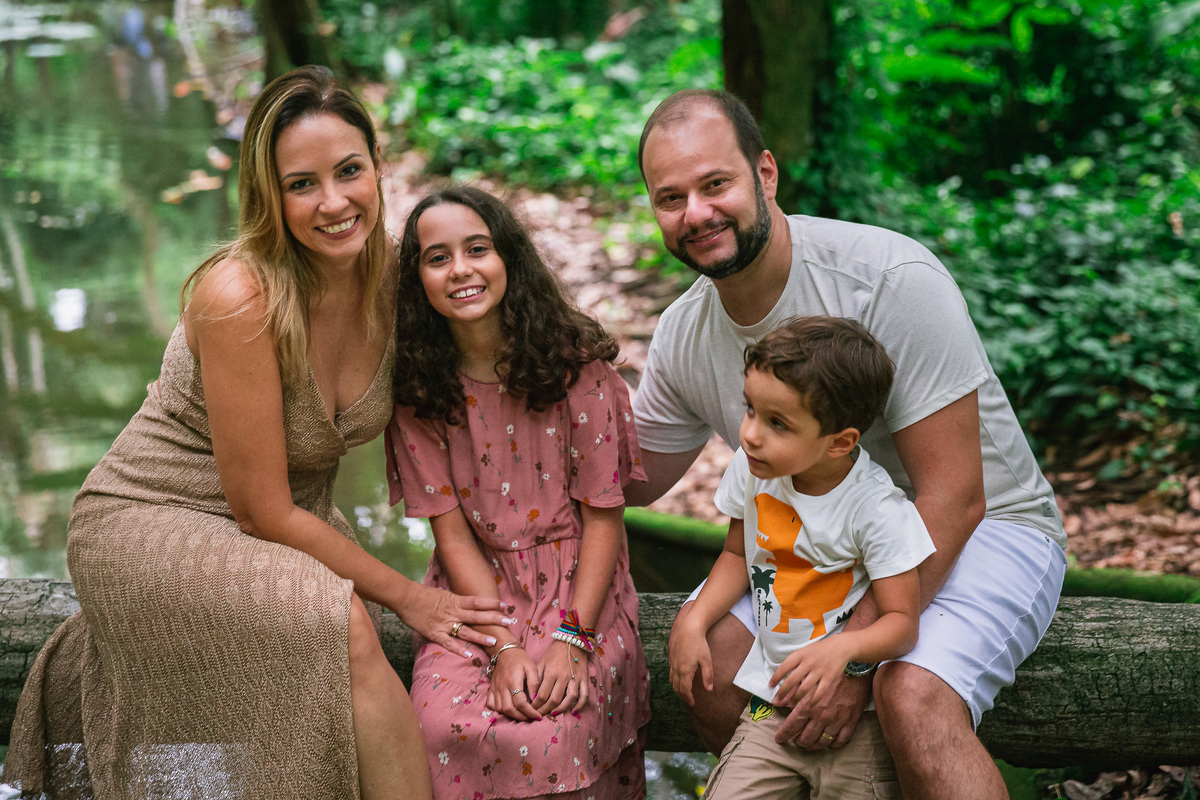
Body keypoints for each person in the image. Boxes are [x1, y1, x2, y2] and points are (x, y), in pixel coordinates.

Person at [3, 66, 508, 800]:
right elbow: (261, 510)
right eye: (302, 184)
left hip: (285, 521)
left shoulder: (397, 280)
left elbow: (482, 394)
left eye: (349, 172)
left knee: (332, 631)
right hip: (154, 518)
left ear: (377, 168)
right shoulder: (240, 296)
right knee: (343, 625)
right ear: (268, 194)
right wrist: (411, 596)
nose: (333, 202)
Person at [627, 89, 1068, 799]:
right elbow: (625, 479)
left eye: (716, 185)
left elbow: (956, 496)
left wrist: (851, 660)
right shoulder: (686, 332)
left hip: (988, 526)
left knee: (912, 696)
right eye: (669, 198)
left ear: (765, 175)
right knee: (707, 663)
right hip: (817, 542)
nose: (696, 214)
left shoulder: (890, 280)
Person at [385, 186, 651, 800]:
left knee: (556, 730)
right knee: (435, 723)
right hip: (477, 596)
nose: (461, 271)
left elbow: (605, 522)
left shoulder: (577, 369)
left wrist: (573, 639)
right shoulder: (419, 389)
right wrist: (504, 646)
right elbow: (451, 534)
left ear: (508, 258)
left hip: (581, 587)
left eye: (477, 249)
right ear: (417, 279)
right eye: (437, 257)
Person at [669, 316, 935, 799]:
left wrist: (846, 649)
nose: (749, 434)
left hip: (860, 732)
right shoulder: (755, 471)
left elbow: (902, 620)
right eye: (750, 409)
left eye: (777, 423)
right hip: (768, 709)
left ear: (839, 442)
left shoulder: (876, 510)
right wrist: (693, 620)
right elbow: (736, 553)